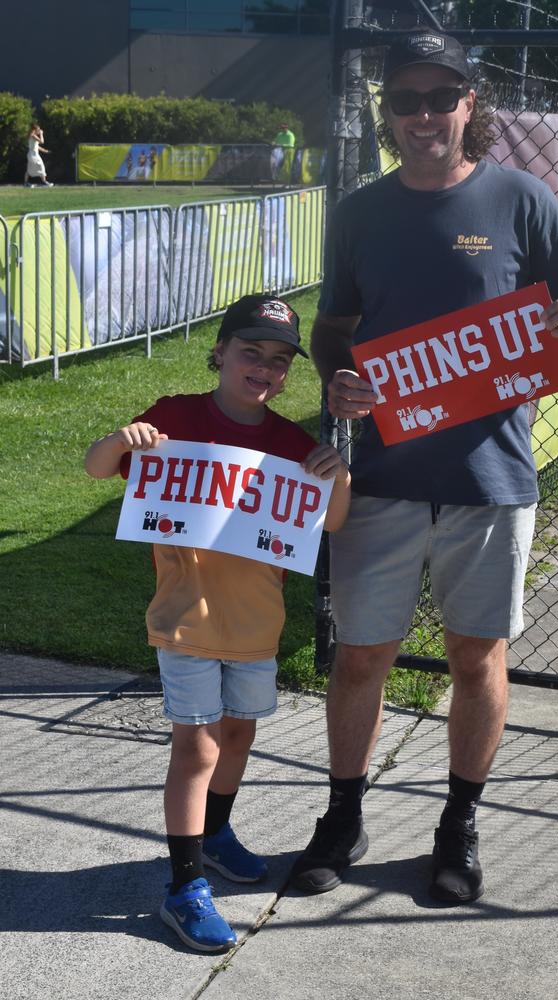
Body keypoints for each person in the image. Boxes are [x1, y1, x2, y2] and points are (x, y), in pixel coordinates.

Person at [289, 31, 558, 903]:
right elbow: (335, 325)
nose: (425, 114)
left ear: (471, 105)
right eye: (407, 100)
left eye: (443, 97)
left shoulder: (521, 198)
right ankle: (343, 815)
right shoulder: (359, 212)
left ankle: (458, 823)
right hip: (387, 479)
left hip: (492, 479)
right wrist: (339, 378)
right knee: (362, 657)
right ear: (389, 113)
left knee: (478, 658)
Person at [85, 293, 351, 950]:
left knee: (236, 739)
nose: (264, 368)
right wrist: (123, 440)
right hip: (186, 620)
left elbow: (333, 520)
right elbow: (97, 466)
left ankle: (215, 833)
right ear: (221, 353)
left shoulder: (292, 443)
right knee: (196, 748)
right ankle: (184, 887)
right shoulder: (175, 417)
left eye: (279, 360)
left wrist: (336, 474)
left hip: (256, 624)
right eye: (250, 352)